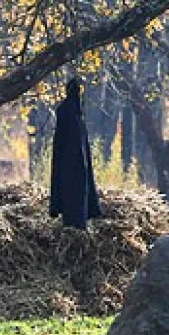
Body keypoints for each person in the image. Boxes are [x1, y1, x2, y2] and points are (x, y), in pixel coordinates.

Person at [48, 77, 102, 228]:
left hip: (71, 170)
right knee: (75, 202)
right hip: (73, 171)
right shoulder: (72, 115)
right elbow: (75, 148)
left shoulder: (73, 113)